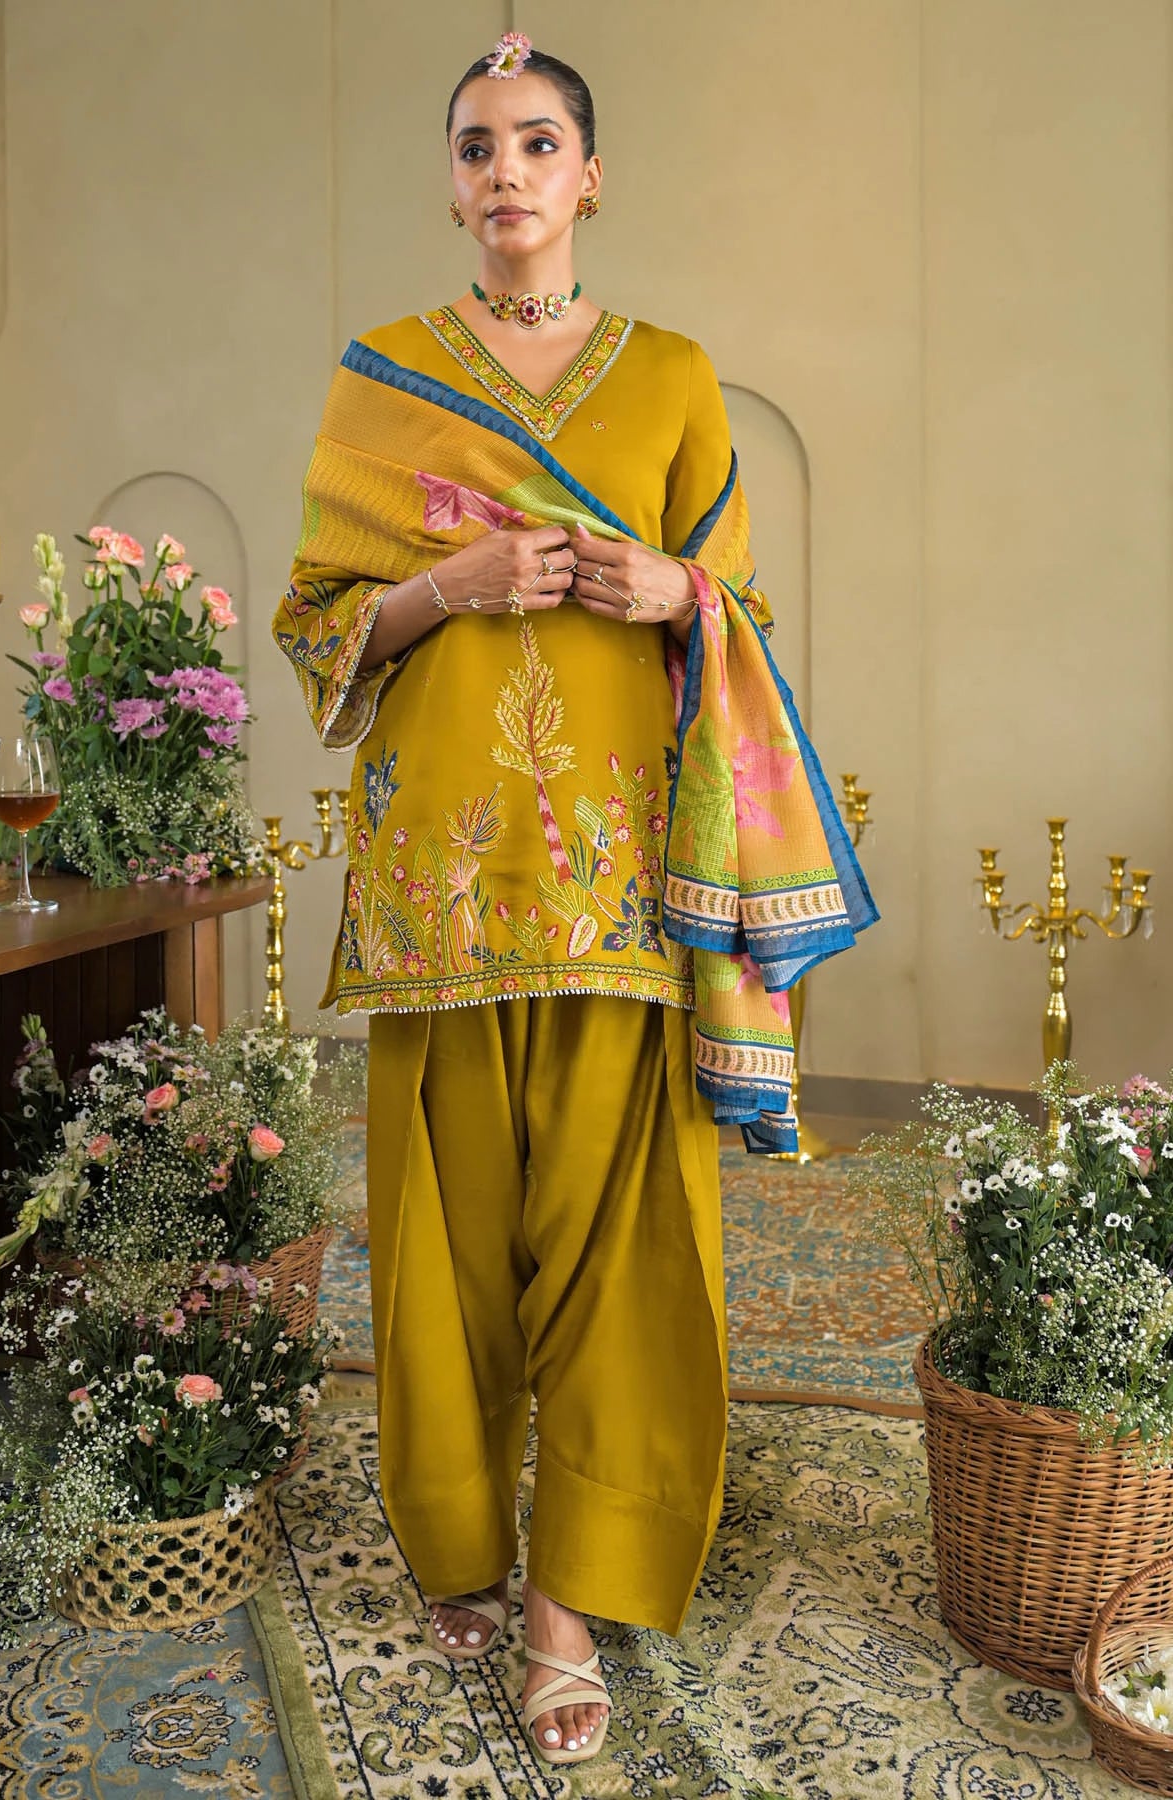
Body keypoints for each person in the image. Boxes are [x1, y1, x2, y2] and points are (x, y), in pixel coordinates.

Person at [274, 33, 875, 1767]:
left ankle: (566, 1597)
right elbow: (324, 625)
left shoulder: (677, 377)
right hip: (436, 898)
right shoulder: (380, 381)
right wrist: (447, 583)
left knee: (624, 1249)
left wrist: (680, 579)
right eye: (477, 146)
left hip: (622, 893)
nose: (506, 171)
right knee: (443, 1246)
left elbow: (743, 622)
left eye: (539, 142)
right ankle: (461, 1537)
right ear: (451, 182)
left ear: (590, 176)